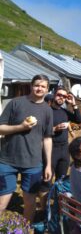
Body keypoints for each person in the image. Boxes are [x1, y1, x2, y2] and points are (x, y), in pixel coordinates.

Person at [0, 74, 53, 222]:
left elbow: (47, 138)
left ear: (47, 89)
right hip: (7, 161)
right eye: (37, 85)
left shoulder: (47, 111)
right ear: (31, 86)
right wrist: (21, 127)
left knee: (30, 204)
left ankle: (25, 229)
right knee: (1, 203)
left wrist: (48, 165)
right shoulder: (15, 103)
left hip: (33, 164)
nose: (39, 88)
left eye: (43, 86)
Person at [50, 86, 81, 181]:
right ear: (54, 95)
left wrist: (74, 104)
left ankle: (58, 195)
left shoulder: (64, 111)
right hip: (51, 148)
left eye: (64, 96)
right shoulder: (47, 111)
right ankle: (45, 195)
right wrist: (55, 129)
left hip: (64, 149)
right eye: (59, 95)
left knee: (61, 178)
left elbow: (78, 120)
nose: (61, 97)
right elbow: (40, 130)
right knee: (47, 179)